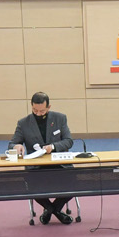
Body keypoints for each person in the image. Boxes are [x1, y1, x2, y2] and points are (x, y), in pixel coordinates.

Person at [9, 92, 76, 224]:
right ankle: (55, 211)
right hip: (36, 168)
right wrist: (16, 146)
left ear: (48, 107)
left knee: (75, 184)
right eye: (35, 110)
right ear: (31, 106)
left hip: (60, 165)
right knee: (32, 187)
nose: (38, 114)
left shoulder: (60, 118)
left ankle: (50, 210)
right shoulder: (23, 123)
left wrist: (53, 146)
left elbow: (68, 141)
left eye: (42, 111)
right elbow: (12, 143)